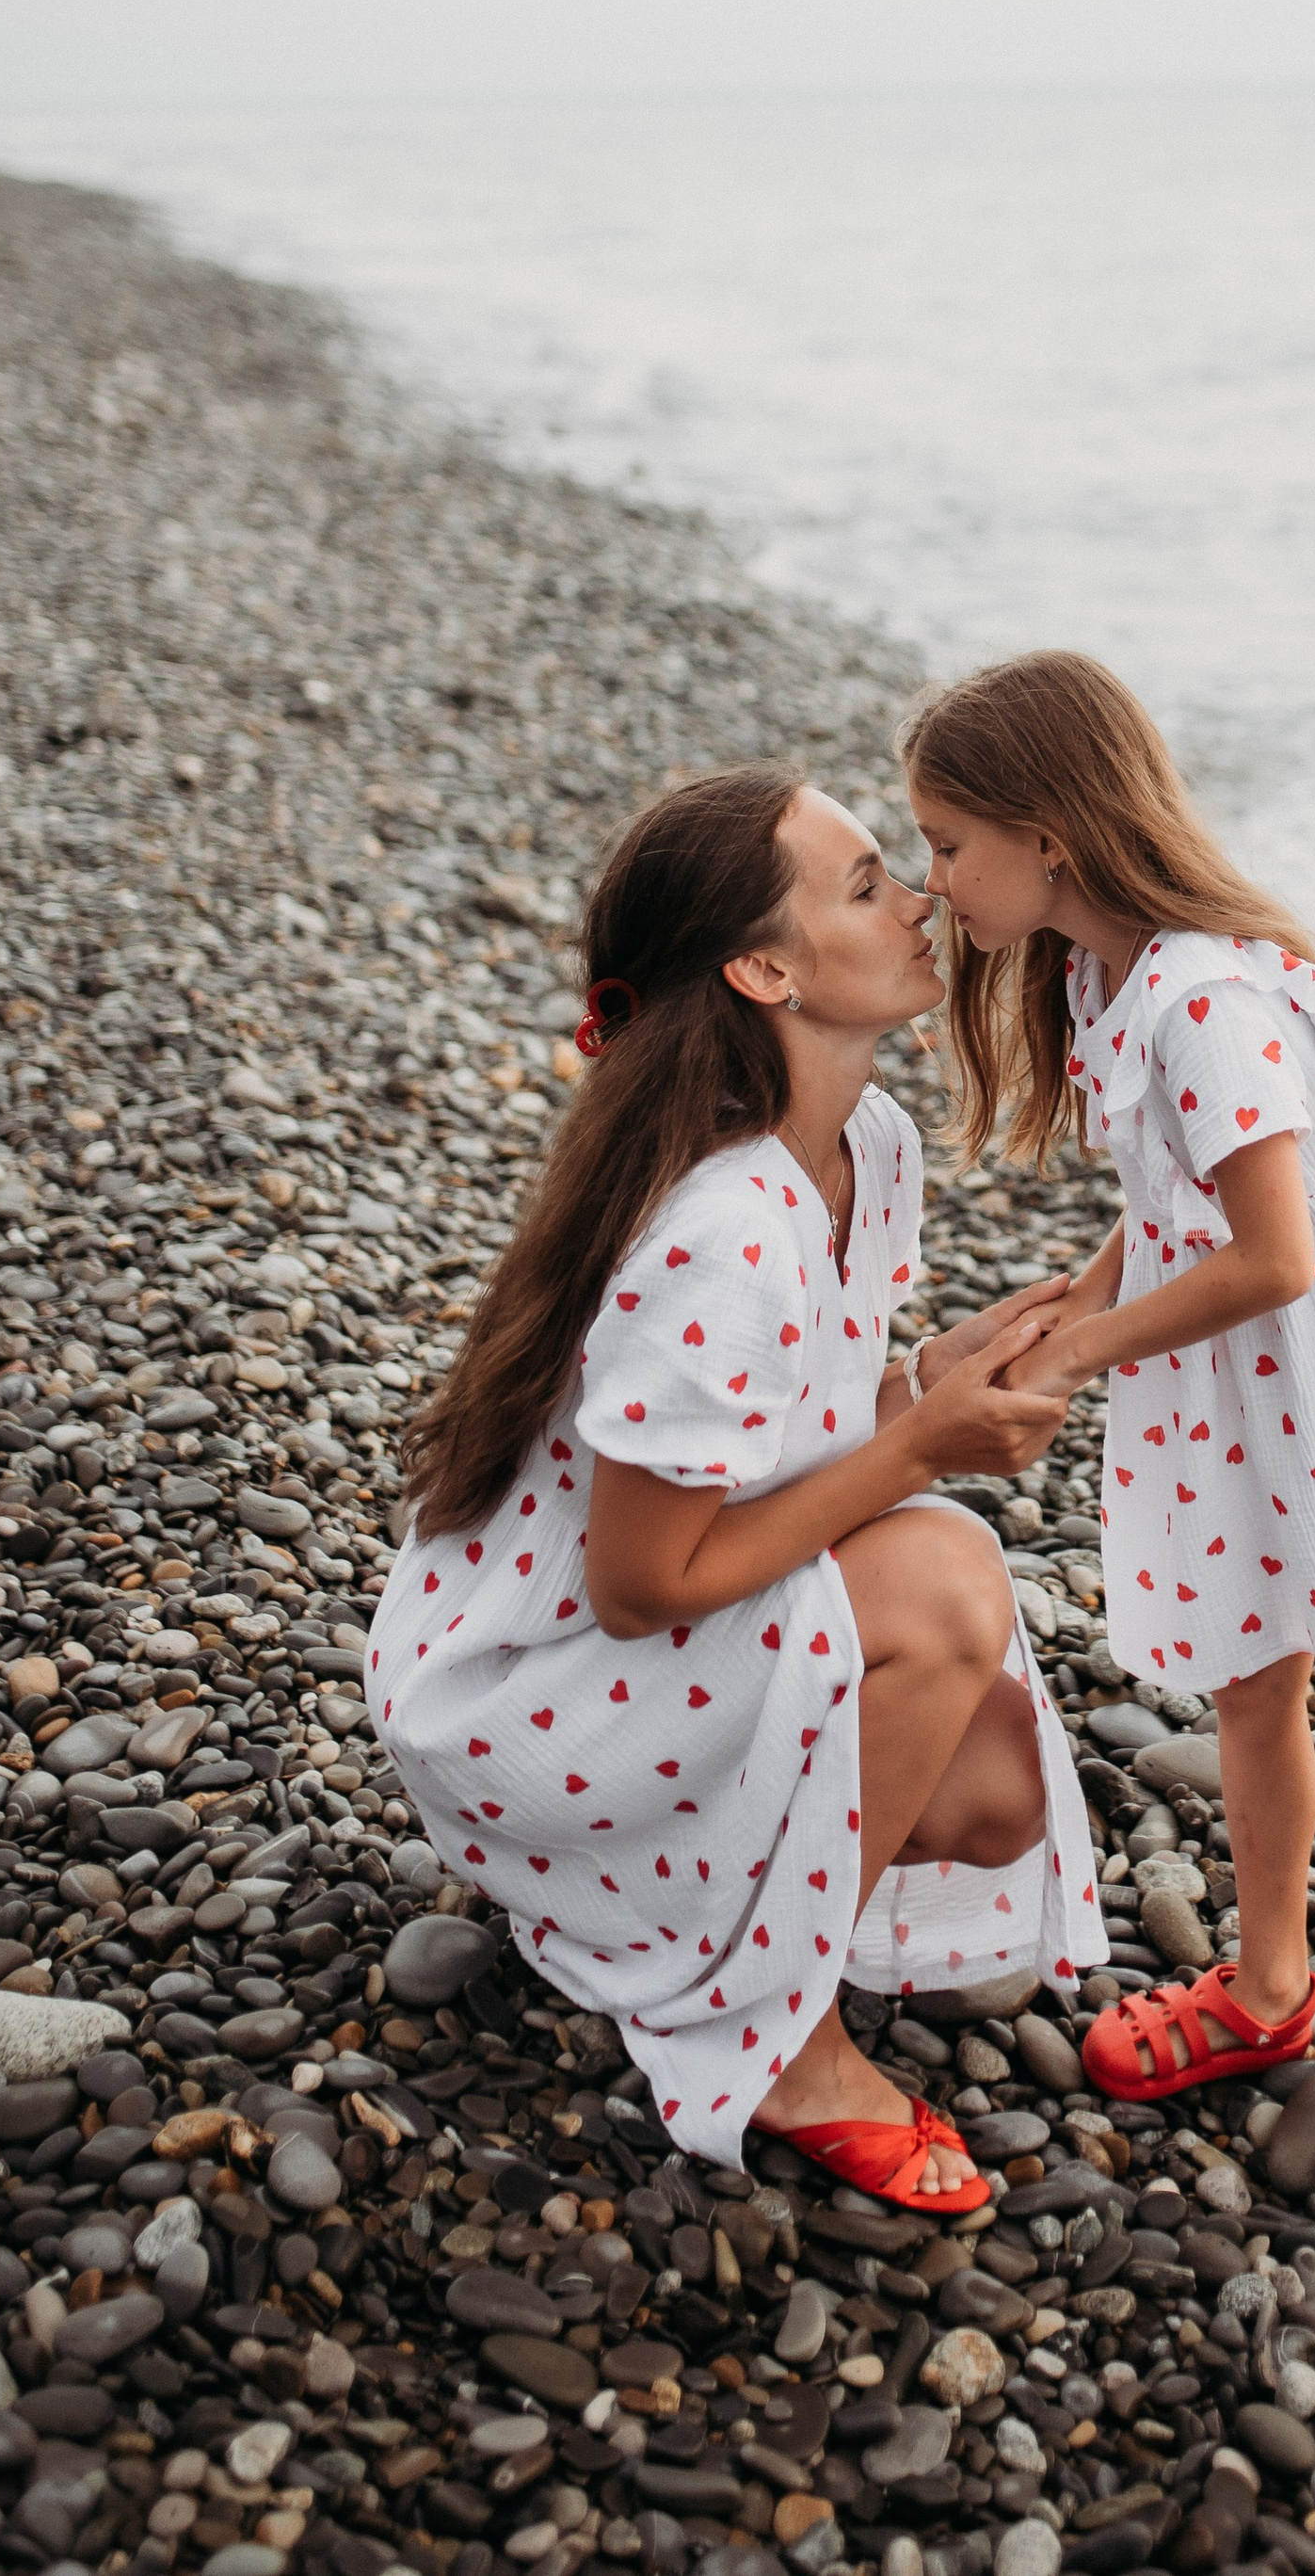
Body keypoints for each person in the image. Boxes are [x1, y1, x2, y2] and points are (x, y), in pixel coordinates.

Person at [369, 765, 1103, 2207]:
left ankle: (635, 1909)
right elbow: (641, 1590)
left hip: (622, 1642)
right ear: (765, 969)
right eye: (868, 884)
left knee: (998, 1791)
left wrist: (931, 1378)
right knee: (949, 1573)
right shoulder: (723, 1225)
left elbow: (792, 1439)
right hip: (527, 1685)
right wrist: (920, 1450)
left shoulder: (863, 1150)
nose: (923, 897)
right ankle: (783, 2047)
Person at [901, 652, 1315, 2212]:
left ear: (1050, 835)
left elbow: (1275, 1256)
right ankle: (1270, 1983)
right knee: (1252, 1683)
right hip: (1247, 1387)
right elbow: (1175, 1211)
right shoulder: (1105, 975)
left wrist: (1078, 1355)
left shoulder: (1206, 999)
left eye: (949, 844)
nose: (937, 884)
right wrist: (1070, 1292)